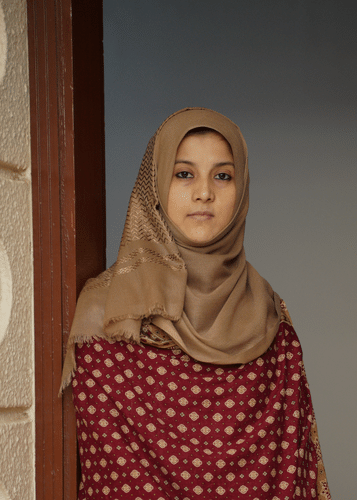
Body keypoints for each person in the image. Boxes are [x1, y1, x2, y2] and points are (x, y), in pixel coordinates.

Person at [61, 108, 331, 499]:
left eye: (223, 175)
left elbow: (294, 473)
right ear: (154, 186)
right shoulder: (109, 312)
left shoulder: (271, 319)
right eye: (183, 173)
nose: (204, 191)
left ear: (243, 192)